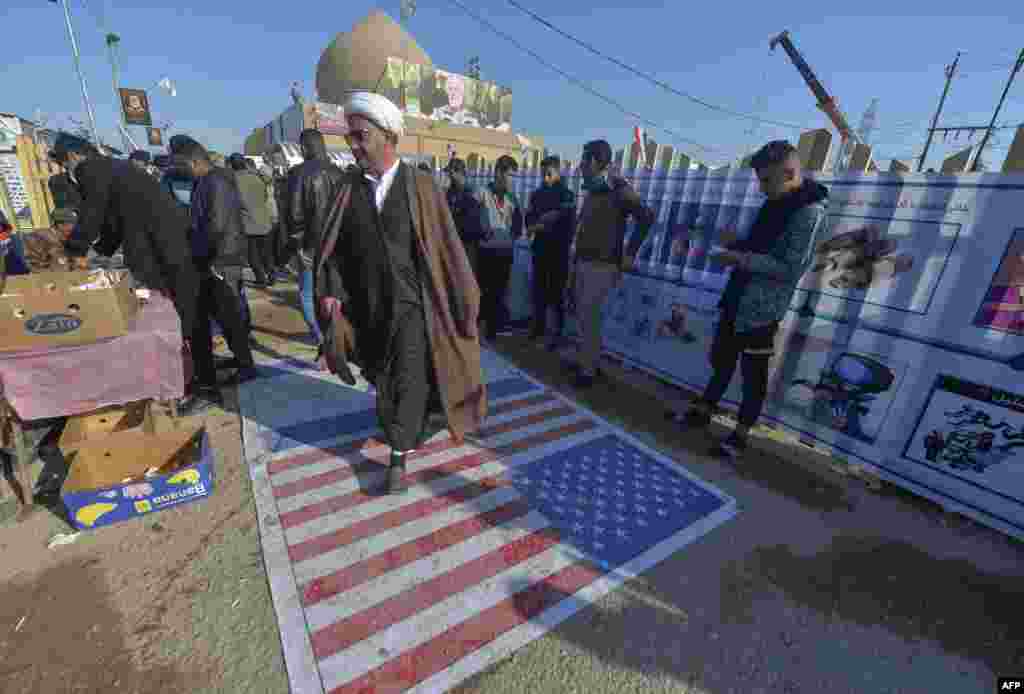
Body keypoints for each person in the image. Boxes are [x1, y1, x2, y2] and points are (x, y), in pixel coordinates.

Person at [312, 91, 485, 494]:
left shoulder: (421, 186)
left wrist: (460, 302)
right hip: (367, 306)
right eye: (351, 137)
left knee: (402, 378)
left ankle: (397, 456)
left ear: (388, 135)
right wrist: (333, 292)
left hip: (413, 305)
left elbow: (447, 251)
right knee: (384, 376)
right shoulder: (347, 189)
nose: (353, 145)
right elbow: (333, 252)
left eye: (361, 136)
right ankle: (413, 425)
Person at [669, 140, 828, 461]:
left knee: (753, 374)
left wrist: (740, 259)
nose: (761, 187)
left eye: (767, 180)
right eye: (759, 179)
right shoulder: (775, 202)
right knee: (722, 360)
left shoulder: (809, 212)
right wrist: (737, 245)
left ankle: (739, 437)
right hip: (737, 295)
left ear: (790, 173)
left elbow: (790, 268)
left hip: (762, 310)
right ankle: (703, 411)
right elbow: (759, 247)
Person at [54, 133, 199, 353]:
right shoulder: (112, 166)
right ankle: (187, 345)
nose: (66, 169)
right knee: (176, 291)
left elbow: (94, 211)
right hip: (164, 234)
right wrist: (99, 251)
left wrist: (77, 248)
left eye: (64, 162)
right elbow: (113, 218)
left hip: (154, 238)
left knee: (164, 292)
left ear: (74, 155)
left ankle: (182, 350)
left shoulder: (90, 168)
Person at [173, 140, 257, 406]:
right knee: (225, 314)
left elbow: (217, 226)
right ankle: (242, 360)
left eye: (182, 166)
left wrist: (206, 257)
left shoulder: (215, 182)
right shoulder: (206, 182)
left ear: (193, 162)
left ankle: (246, 366)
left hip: (221, 260)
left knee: (229, 314)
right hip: (214, 259)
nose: (181, 172)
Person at [569, 139, 654, 388]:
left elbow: (646, 217)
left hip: (602, 265)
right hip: (584, 262)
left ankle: (588, 372)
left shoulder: (618, 187)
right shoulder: (593, 189)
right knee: (584, 318)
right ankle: (588, 363)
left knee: (590, 316)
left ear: (595, 162)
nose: (581, 165)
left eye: (584, 160)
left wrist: (630, 254)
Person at [284, 129, 346, 354]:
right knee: (334, 293)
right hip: (337, 246)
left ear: (303, 148)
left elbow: (294, 216)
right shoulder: (339, 173)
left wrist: (297, 247)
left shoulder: (298, 174)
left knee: (308, 295)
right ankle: (337, 336)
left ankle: (323, 340)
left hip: (309, 246)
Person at [525, 155, 576, 350]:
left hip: (559, 251)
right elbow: (529, 219)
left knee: (556, 294)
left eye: (549, 174)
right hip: (540, 249)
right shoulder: (536, 195)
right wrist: (534, 226)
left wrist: (545, 224)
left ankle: (557, 334)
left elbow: (568, 222)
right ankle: (537, 328)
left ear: (557, 172)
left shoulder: (567, 195)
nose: (545, 178)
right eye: (543, 174)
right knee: (538, 291)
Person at [476, 154, 524, 341]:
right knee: (484, 291)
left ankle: (492, 332)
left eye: (514, 176)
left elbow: (519, 224)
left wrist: (512, 236)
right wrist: (482, 232)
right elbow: (470, 217)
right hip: (486, 251)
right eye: (510, 175)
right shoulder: (481, 192)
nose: (512, 180)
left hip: (505, 252)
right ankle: (479, 329)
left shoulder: (513, 198)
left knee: (500, 291)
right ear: (498, 173)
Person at [229, 153, 275, 288]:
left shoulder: (233, 180)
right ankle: (272, 276)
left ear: (232, 165)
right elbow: (265, 196)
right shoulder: (257, 178)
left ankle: (261, 278)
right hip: (264, 221)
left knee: (252, 255)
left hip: (247, 223)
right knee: (267, 253)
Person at [444, 157, 485, 278]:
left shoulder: (471, 192)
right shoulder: (450, 191)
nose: (449, 176)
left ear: (458, 172)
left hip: (468, 244)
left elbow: (472, 221)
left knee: (467, 276)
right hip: (454, 241)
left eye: (450, 173)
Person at [21, 207, 77, 272]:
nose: (73, 227)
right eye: (71, 223)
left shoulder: (59, 238)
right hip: (44, 277)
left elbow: (63, 261)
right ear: (60, 225)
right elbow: (35, 266)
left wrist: (74, 262)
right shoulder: (42, 237)